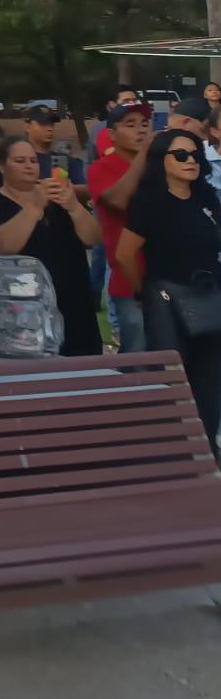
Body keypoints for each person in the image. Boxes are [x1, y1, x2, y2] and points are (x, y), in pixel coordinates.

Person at [117, 130, 221, 455]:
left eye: (194, 155)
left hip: (207, 294)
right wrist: (146, 288)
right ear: (161, 159)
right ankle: (173, 450)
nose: (190, 161)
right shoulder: (150, 201)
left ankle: (206, 448)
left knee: (210, 375)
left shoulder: (206, 197)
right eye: (180, 155)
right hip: (166, 296)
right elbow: (124, 254)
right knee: (173, 375)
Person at [0, 135, 102, 356]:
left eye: (33, 160)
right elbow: (2, 246)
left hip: (74, 306)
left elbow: (93, 238)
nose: (29, 166)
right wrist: (34, 207)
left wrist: (74, 207)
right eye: (20, 161)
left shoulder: (59, 198)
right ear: (1, 166)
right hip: (21, 314)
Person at [87, 102, 153, 353]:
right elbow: (119, 200)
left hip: (164, 277)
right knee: (138, 354)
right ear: (112, 134)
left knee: (168, 355)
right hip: (129, 279)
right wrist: (145, 155)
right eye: (131, 124)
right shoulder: (100, 168)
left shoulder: (160, 166)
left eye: (145, 124)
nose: (141, 130)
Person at [92, 87, 141, 159]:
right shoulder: (104, 129)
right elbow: (116, 157)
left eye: (134, 100)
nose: (132, 104)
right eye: (126, 101)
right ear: (112, 104)